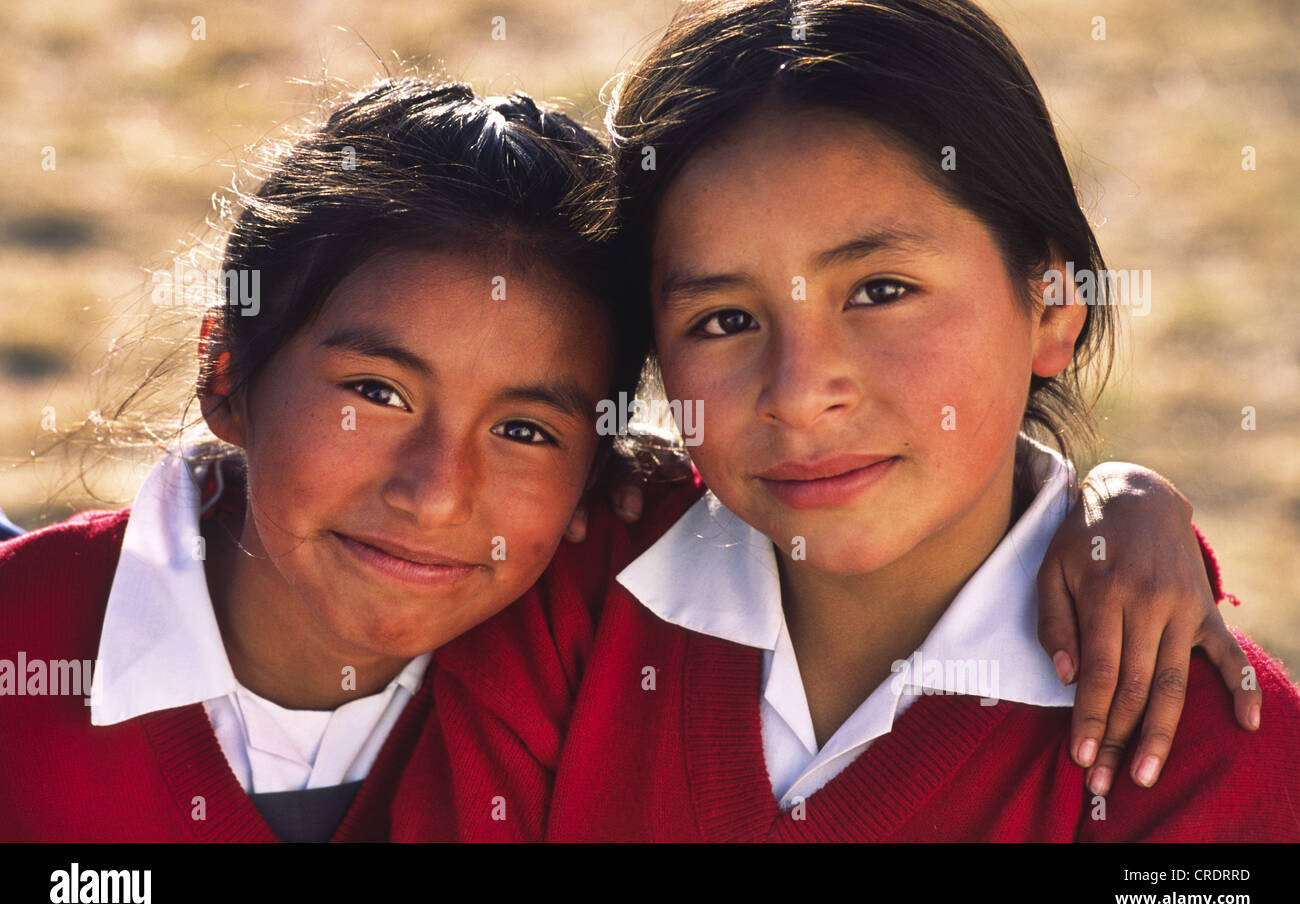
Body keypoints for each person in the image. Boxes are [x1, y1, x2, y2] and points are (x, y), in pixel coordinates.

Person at [431, 0, 1298, 841]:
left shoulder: (1203, 748)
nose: (801, 394)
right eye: (725, 320)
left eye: (881, 292)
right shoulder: (563, 604)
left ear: (1053, 303)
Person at [0, 77, 639, 842]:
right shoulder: (22, 646)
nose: (435, 493)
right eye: (377, 392)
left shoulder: (605, 673)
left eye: (526, 432)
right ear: (226, 375)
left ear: (597, 472)